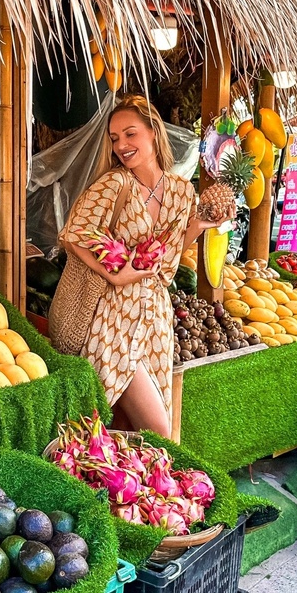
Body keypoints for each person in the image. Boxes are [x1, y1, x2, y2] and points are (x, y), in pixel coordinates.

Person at [54, 94, 213, 438]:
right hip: (112, 318)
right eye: (114, 138)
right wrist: (115, 272)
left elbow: (165, 265)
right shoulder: (115, 183)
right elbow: (74, 233)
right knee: (157, 430)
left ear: (154, 132)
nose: (121, 145)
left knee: (125, 430)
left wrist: (195, 229)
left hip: (155, 319)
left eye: (130, 134)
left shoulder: (182, 192)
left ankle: (117, 491)